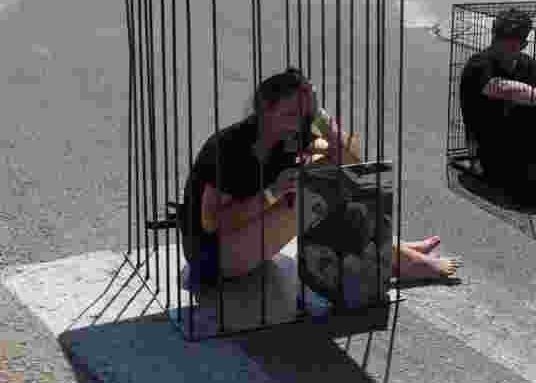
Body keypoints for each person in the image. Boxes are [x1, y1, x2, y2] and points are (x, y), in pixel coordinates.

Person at [179, 68, 460, 291]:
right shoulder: (229, 148)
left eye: (304, 114)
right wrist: (272, 193)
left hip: (249, 234)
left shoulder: (292, 130)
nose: (297, 123)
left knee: (330, 174)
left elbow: (350, 159)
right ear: (264, 110)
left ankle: (389, 248)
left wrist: (318, 114)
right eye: (289, 114)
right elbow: (214, 224)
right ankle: (399, 260)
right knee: (317, 192)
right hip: (213, 255)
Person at [459, 9, 536, 207]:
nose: (514, 47)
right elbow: (502, 88)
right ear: (495, 38)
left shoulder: (527, 64)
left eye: (519, 42)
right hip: (490, 142)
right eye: (507, 41)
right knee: (519, 186)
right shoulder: (478, 64)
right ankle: (530, 166)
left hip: (523, 137)